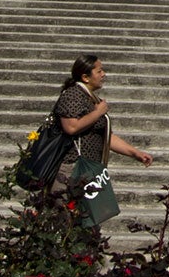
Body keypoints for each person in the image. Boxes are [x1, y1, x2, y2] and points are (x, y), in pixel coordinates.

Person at [52, 56, 154, 192]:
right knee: (66, 210)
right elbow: (71, 127)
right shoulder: (72, 95)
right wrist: (98, 112)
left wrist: (135, 153)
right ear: (85, 77)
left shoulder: (90, 98)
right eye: (99, 71)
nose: (103, 74)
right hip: (71, 168)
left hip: (88, 169)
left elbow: (106, 136)